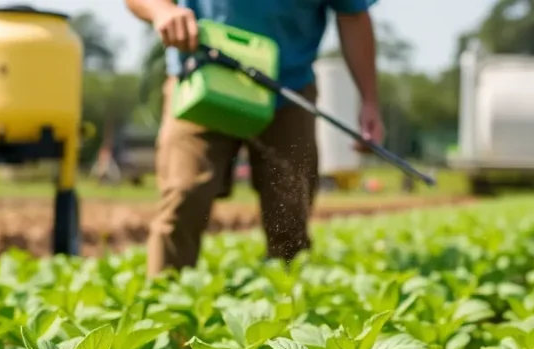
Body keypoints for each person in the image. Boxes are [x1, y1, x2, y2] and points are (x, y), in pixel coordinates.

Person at [125, 0, 384, 278]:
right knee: (183, 195)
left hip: (287, 90)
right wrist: (163, 11)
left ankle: (287, 304)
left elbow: (353, 16)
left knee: (290, 211)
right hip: (201, 80)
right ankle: (164, 305)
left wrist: (369, 101)